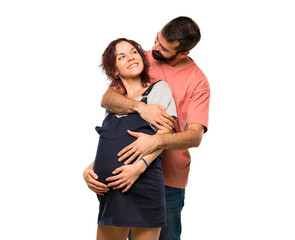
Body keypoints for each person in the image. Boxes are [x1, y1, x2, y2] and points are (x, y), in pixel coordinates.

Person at [84, 16, 210, 240]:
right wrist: (142, 108)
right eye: (156, 41)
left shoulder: (197, 82)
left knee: (166, 235)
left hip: (168, 177)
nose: (153, 49)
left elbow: (195, 136)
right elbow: (109, 100)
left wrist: (153, 145)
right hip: (119, 175)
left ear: (183, 53)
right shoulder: (142, 59)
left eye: (163, 48)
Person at [84, 38, 177, 240]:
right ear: (115, 70)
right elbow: (112, 141)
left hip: (143, 182)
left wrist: (139, 167)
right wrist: (90, 168)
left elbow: (164, 134)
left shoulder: (158, 89)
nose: (131, 58)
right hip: (110, 188)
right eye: (122, 56)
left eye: (133, 52)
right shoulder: (115, 102)